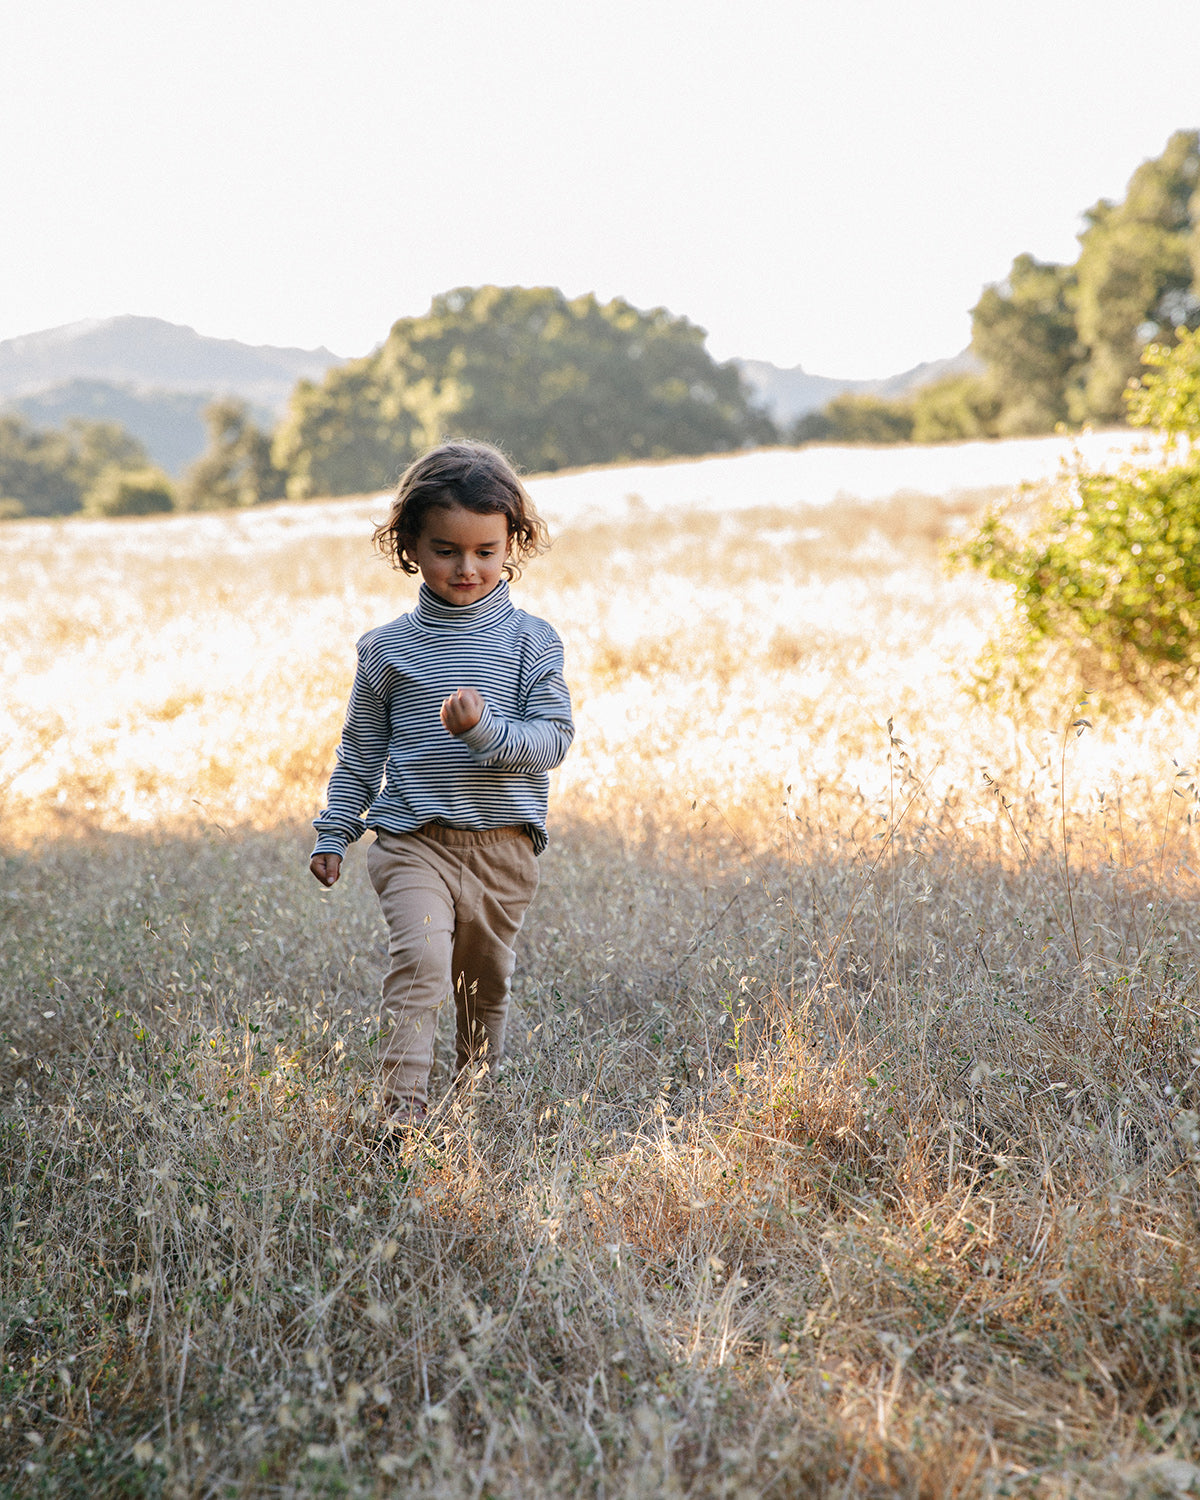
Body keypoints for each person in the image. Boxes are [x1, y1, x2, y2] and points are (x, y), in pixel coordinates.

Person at [309, 440, 574, 1129]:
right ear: (410, 547)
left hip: (503, 849)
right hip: (413, 842)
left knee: (482, 987)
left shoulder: (532, 641)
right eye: (446, 550)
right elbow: (361, 750)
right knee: (422, 963)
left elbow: (552, 741)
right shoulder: (387, 649)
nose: (467, 568)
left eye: (486, 551)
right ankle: (401, 1116)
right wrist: (335, 831)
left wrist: (485, 731)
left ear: (513, 543)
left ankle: (473, 1108)